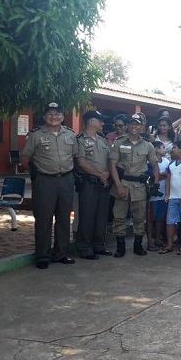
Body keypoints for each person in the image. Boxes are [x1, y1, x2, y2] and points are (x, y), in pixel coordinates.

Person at [20, 102, 78, 269]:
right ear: (44, 117)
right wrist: (36, 175)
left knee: (64, 218)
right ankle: (42, 256)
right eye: (50, 114)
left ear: (63, 116)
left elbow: (74, 156)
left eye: (57, 114)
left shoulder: (70, 134)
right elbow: (25, 158)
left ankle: (61, 254)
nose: (54, 117)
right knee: (44, 219)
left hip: (66, 180)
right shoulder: (36, 135)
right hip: (45, 180)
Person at [109, 114, 159, 257]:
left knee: (139, 218)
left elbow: (155, 165)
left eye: (137, 124)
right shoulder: (118, 142)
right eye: (131, 123)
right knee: (119, 217)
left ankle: (138, 245)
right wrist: (118, 185)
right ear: (127, 126)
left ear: (142, 127)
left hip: (139, 185)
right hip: (122, 183)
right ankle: (120, 247)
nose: (134, 127)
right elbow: (112, 164)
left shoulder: (148, 145)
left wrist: (155, 183)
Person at [75, 110, 112, 260]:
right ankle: (85, 247)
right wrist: (100, 175)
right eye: (100, 120)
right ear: (91, 121)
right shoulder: (80, 139)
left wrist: (107, 174)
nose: (102, 123)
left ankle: (99, 245)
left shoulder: (102, 139)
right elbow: (82, 163)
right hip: (88, 182)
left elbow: (109, 159)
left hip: (104, 182)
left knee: (101, 215)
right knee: (87, 215)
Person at [162, 140, 181, 255]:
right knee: (170, 222)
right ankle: (169, 244)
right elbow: (168, 179)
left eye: (174, 147)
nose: (172, 150)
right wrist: (167, 194)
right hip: (173, 197)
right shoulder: (171, 164)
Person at [147, 141, 169, 251]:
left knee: (160, 218)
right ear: (155, 149)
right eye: (162, 147)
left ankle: (158, 239)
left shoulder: (166, 161)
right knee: (151, 219)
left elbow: (168, 175)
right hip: (152, 196)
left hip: (163, 194)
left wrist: (158, 176)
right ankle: (150, 240)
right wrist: (161, 175)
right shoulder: (148, 161)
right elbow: (150, 176)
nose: (165, 149)